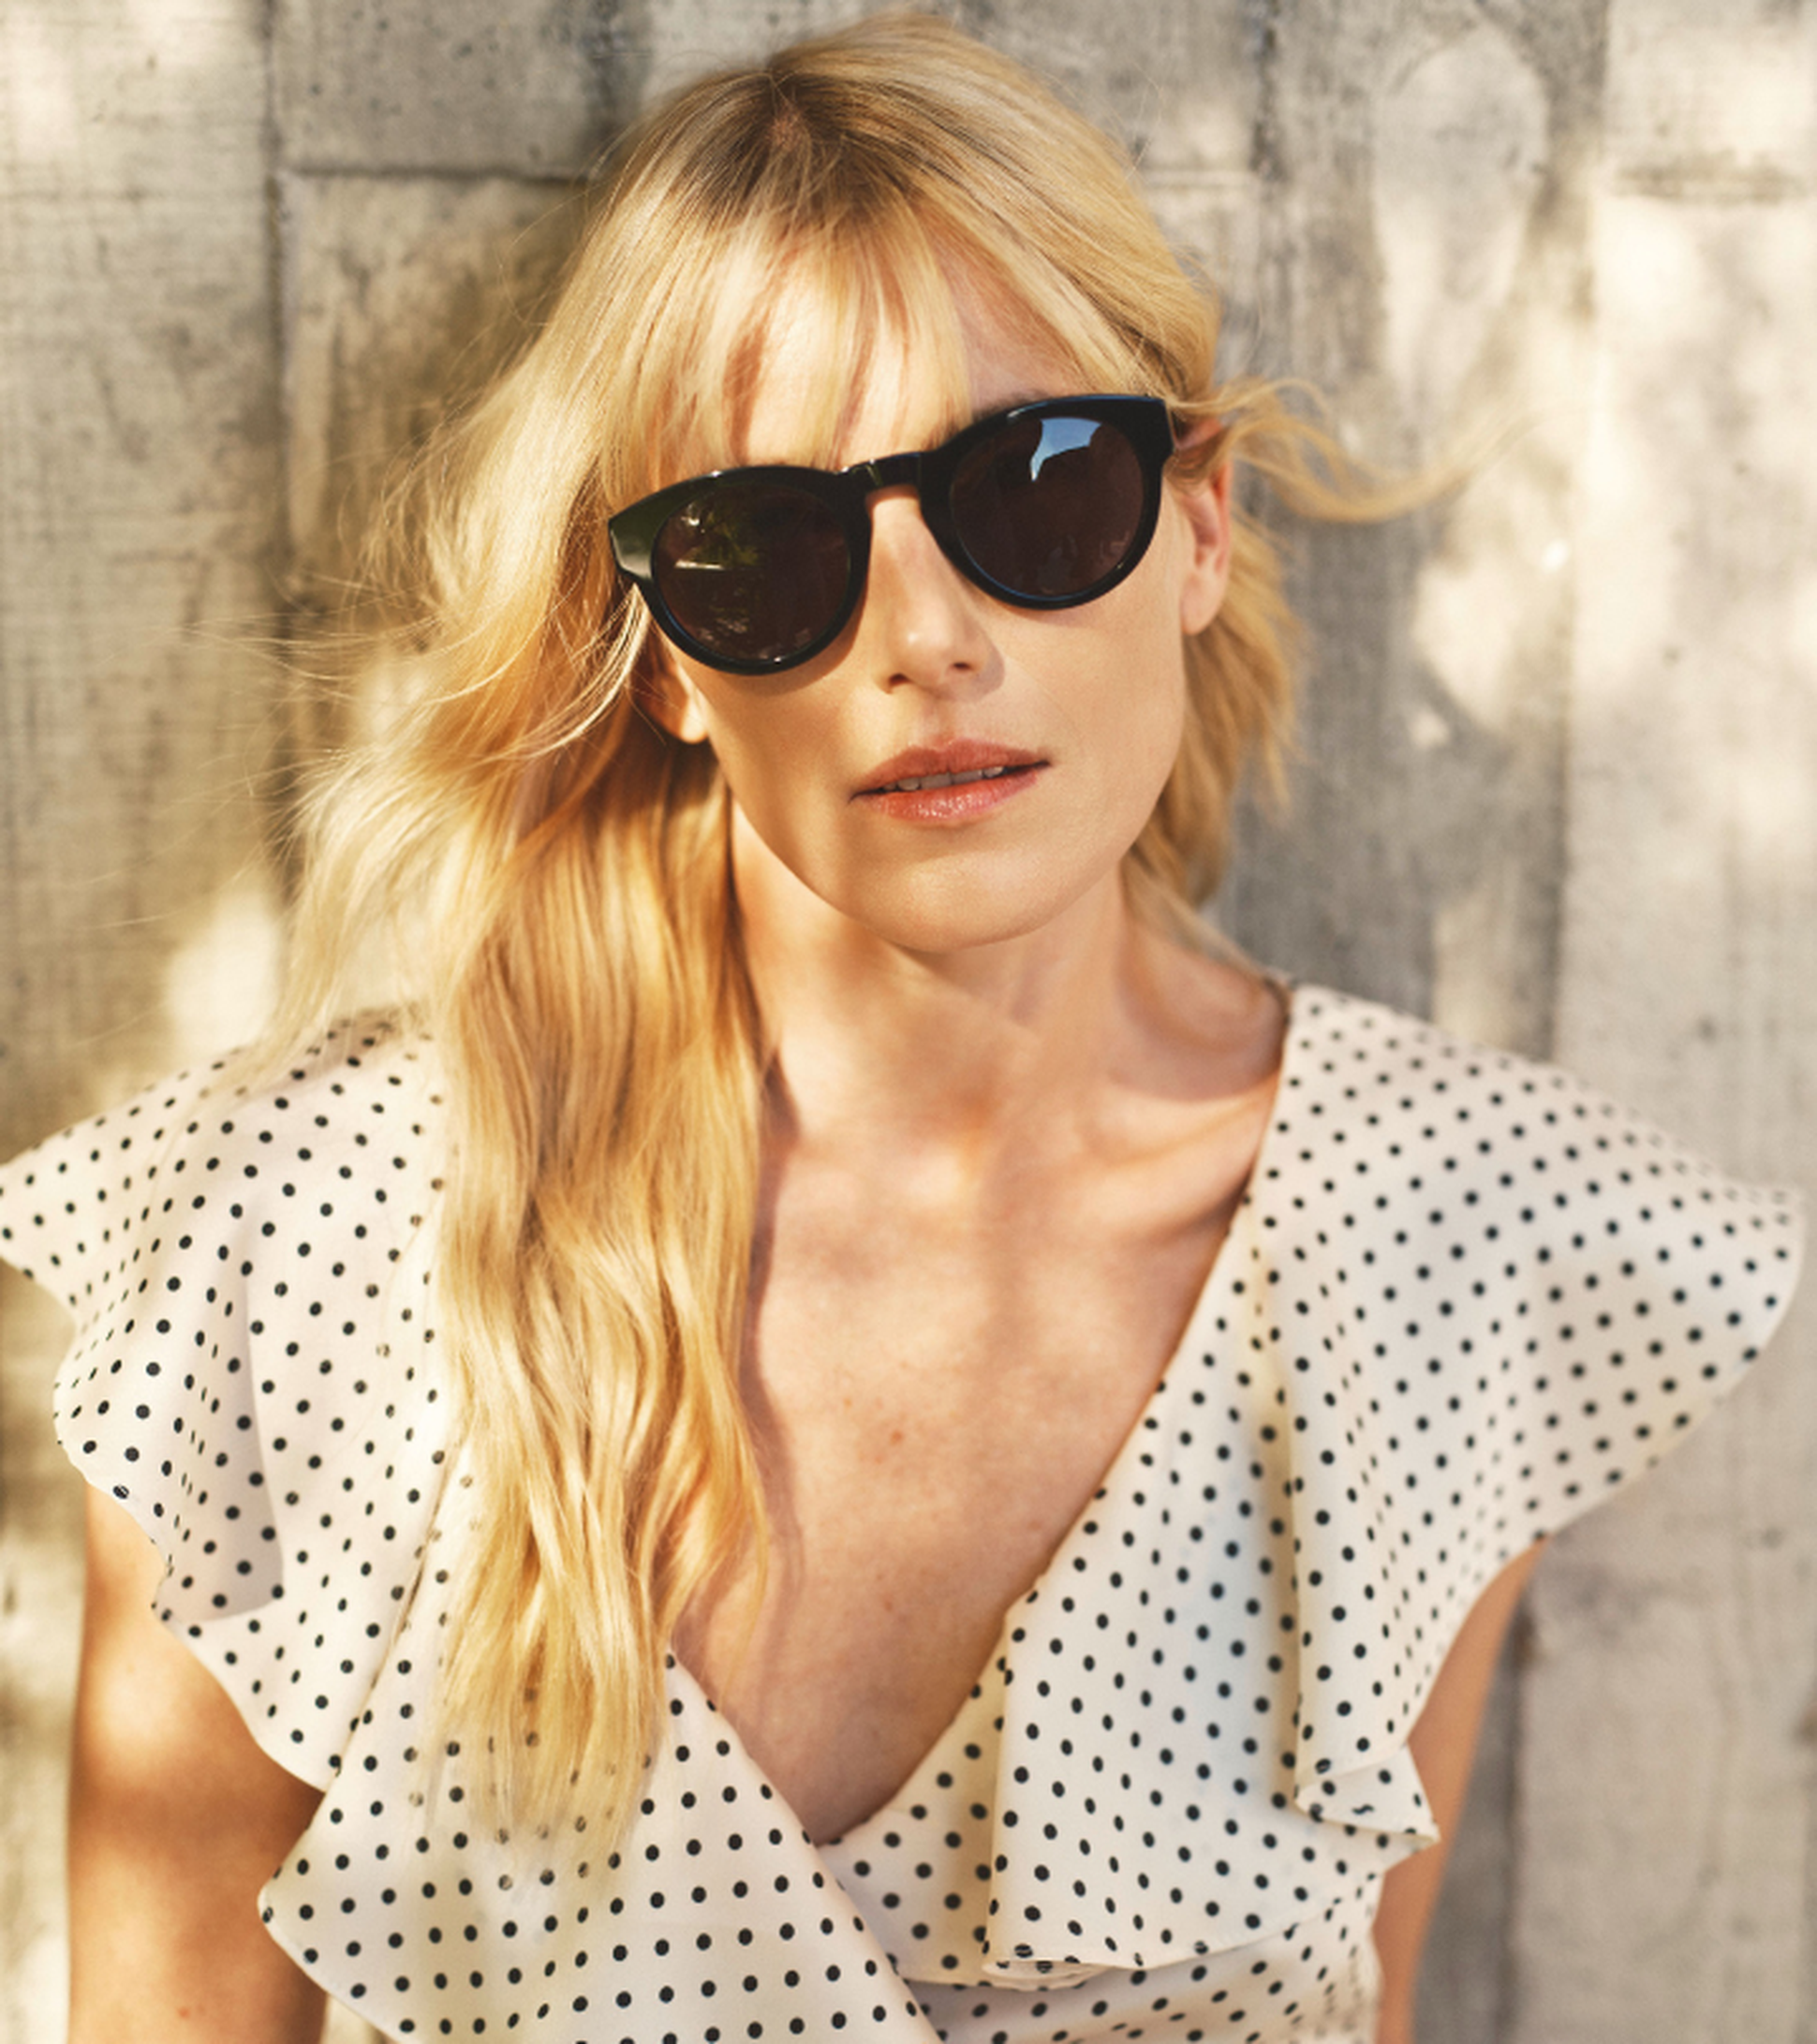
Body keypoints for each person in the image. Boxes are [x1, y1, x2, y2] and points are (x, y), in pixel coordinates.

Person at [0, 14, 1800, 2044]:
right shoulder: (303, 1238)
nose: (925, 637)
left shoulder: (1452, 1241)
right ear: (663, 655)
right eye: (768, 545)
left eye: (1031, 493)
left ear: (1196, 524)